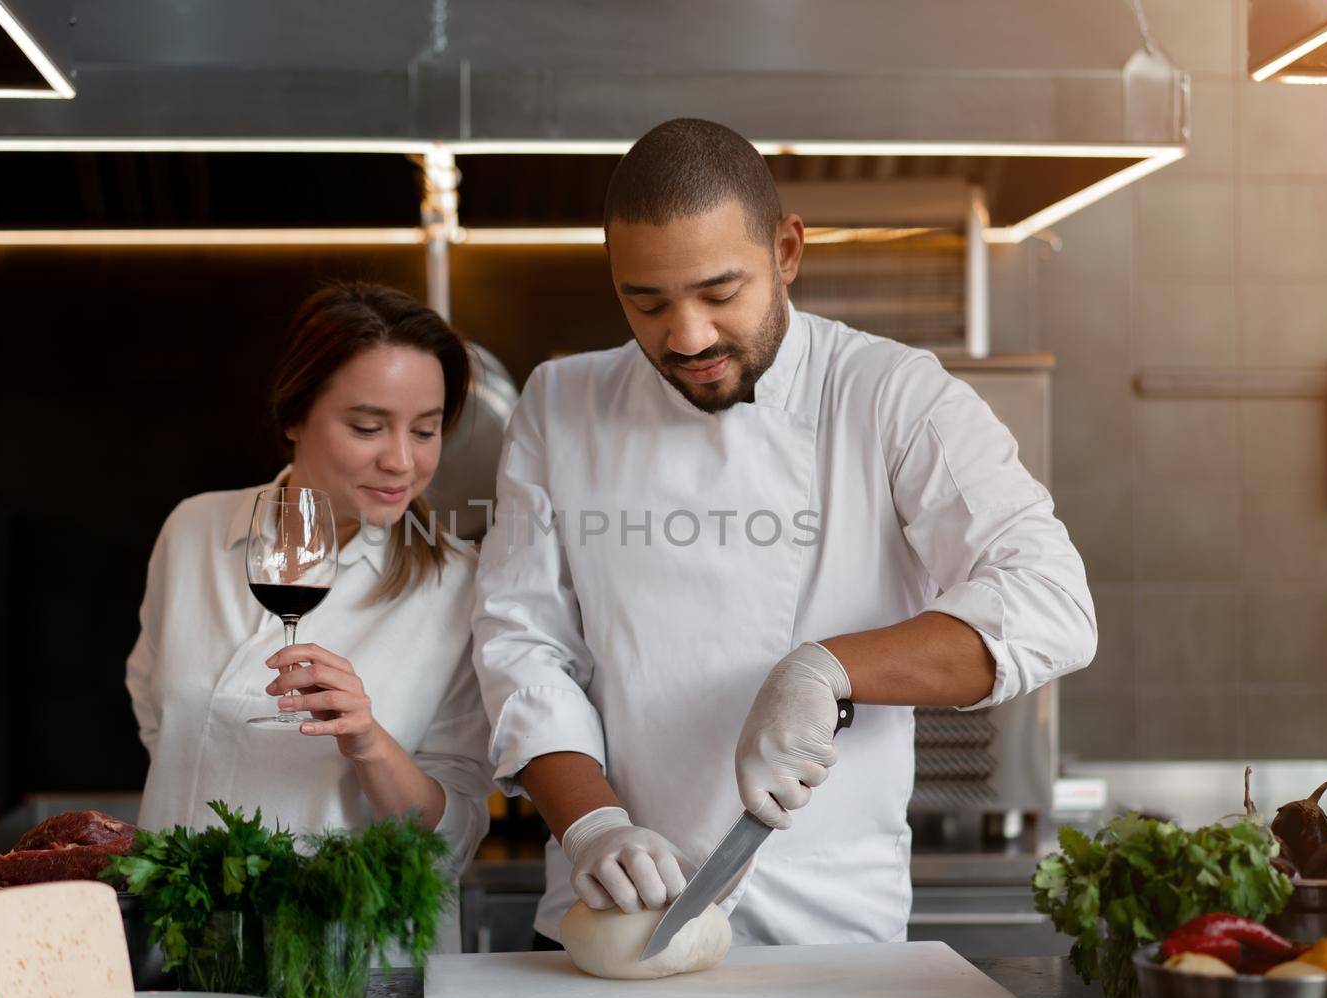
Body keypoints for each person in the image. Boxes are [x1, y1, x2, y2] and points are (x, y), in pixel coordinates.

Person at [472, 118, 1097, 948]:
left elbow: (1051, 601)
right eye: (646, 303)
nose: (686, 337)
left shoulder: (892, 397)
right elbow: (523, 646)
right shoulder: (561, 405)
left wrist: (827, 668)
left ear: (788, 251)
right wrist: (591, 828)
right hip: (615, 922)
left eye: (720, 293)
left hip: (828, 934)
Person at [128, 282, 495, 934]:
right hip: (183, 954)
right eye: (367, 427)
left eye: (426, 431)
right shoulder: (194, 532)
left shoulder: (460, 589)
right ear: (295, 416)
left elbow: (454, 840)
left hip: (348, 967)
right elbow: (163, 725)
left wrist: (369, 743)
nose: (401, 461)